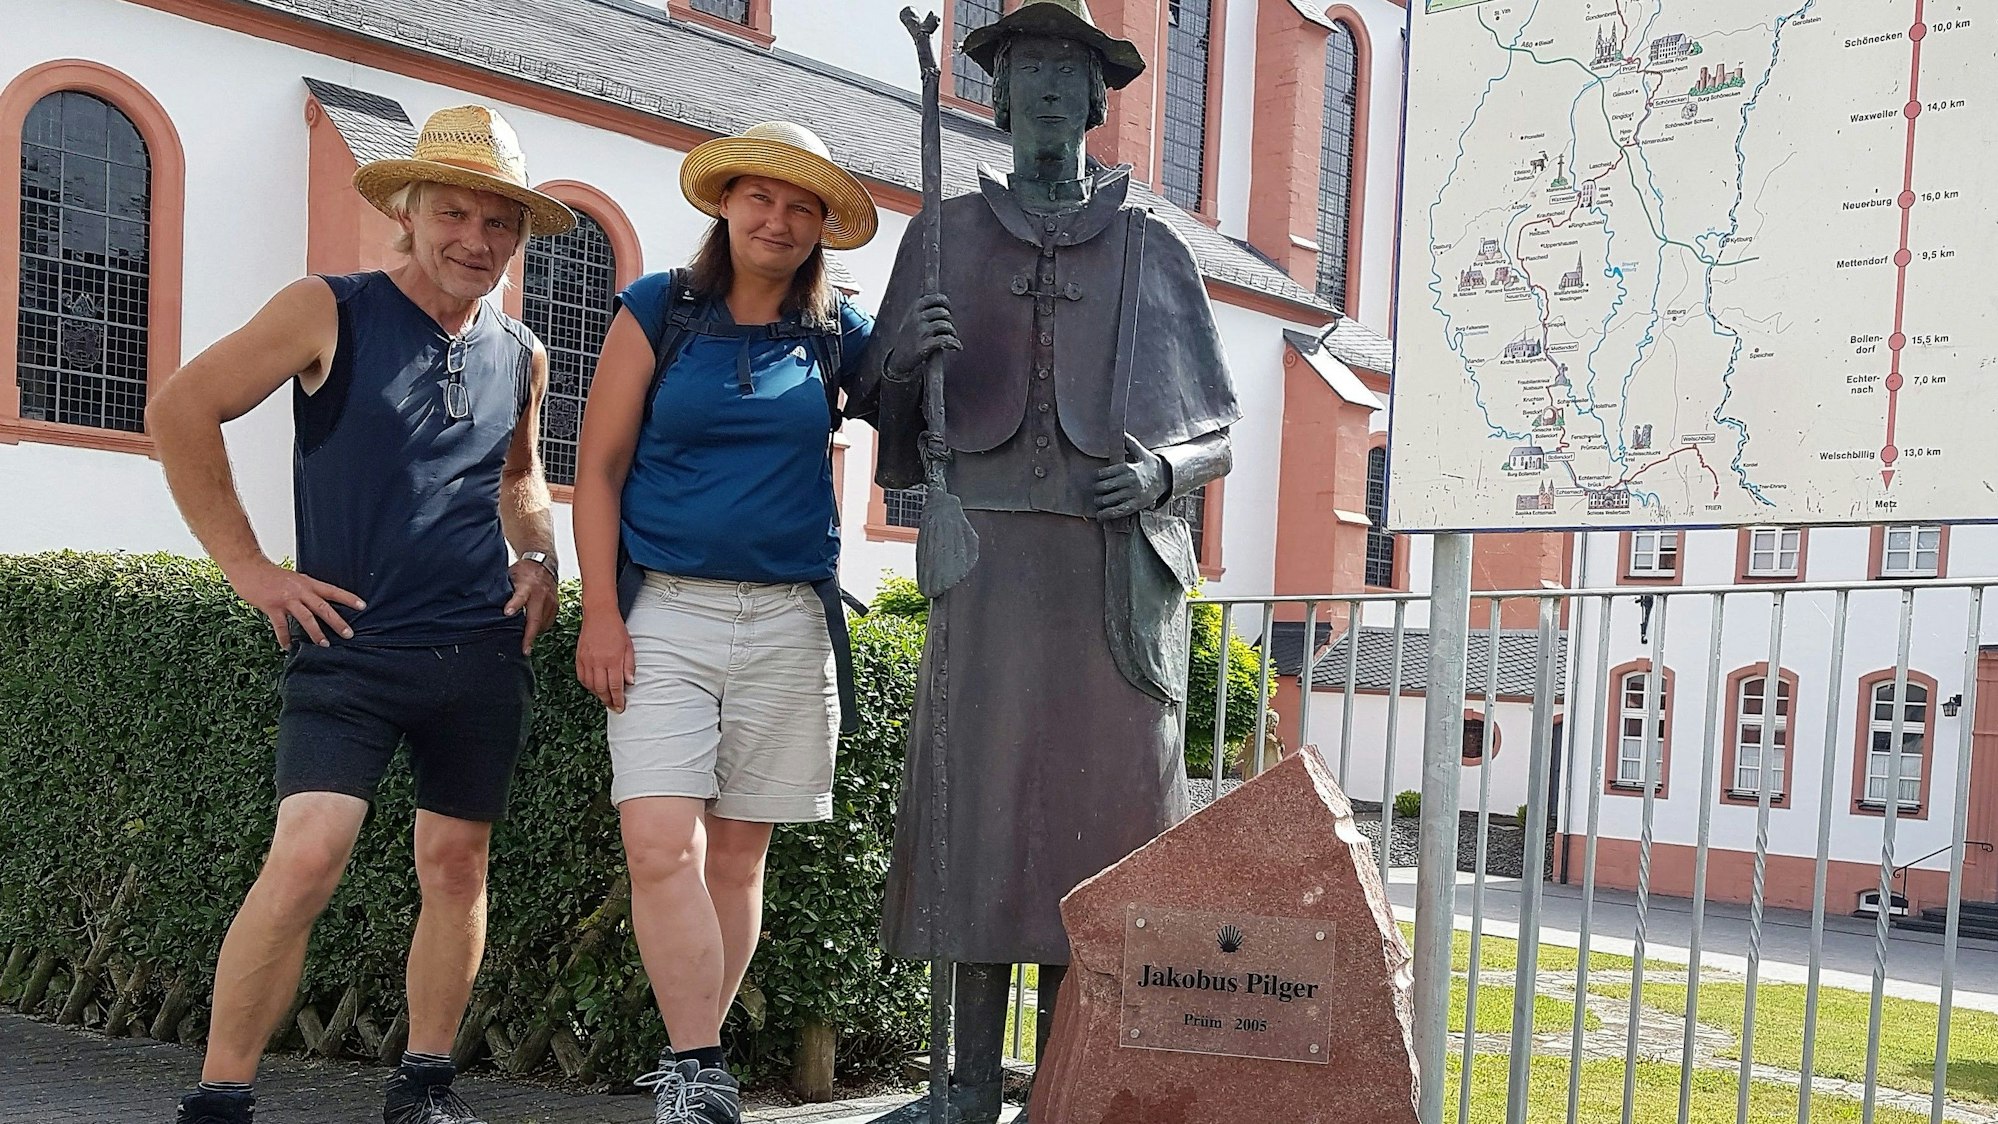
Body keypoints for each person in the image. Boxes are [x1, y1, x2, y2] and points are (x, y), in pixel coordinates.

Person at [148, 106, 573, 1124]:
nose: (476, 238)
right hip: (350, 647)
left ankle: (424, 1086)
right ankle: (219, 1096)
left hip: (480, 649)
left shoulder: (523, 350)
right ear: (411, 213)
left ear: (517, 236)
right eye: (455, 213)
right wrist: (252, 568)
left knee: (457, 862)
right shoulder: (325, 309)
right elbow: (180, 407)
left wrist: (542, 557)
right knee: (306, 851)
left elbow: (523, 477)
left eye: (498, 222)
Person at [853, 1, 1240, 1120]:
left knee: (1102, 826)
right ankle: (967, 1084)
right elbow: (878, 403)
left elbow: (1217, 427)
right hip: (981, 562)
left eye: (1072, 76)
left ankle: (1070, 1081)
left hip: (1106, 574)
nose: (1052, 94)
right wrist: (903, 357)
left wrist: (1162, 476)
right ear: (1002, 95)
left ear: (1097, 101)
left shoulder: (1154, 245)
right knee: (977, 815)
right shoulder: (942, 236)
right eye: (1030, 74)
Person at [571, 121, 879, 1124]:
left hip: (791, 618)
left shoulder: (836, 332)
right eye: (761, 197)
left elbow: (929, 397)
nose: (778, 218)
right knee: (662, 842)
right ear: (726, 203)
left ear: (821, 226)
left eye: (801, 205)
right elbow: (599, 470)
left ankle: (688, 1065)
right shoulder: (659, 307)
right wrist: (602, 614)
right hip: (665, 612)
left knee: (740, 854)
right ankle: (701, 1065)